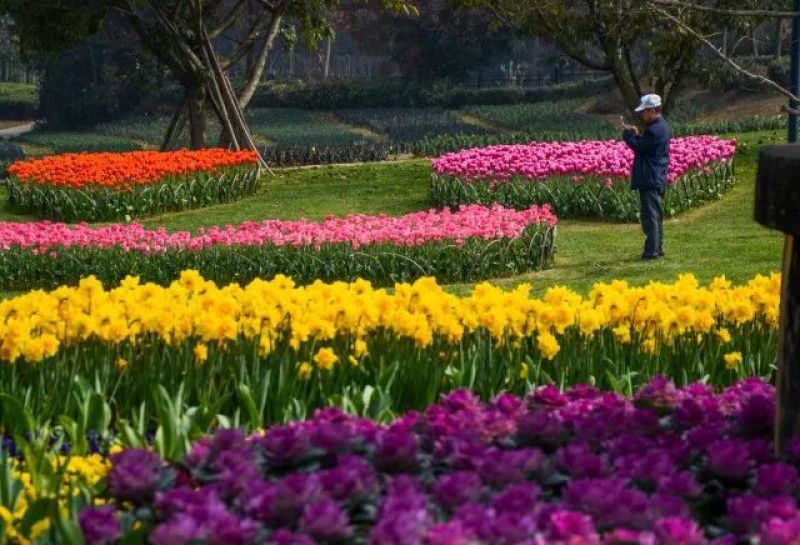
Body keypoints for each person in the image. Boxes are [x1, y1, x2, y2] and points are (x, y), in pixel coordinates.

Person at [622, 94, 671, 260]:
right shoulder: (662, 126)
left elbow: (640, 148)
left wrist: (628, 137)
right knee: (656, 215)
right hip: (657, 175)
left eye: (644, 111)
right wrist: (637, 135)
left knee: (650, 217)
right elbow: (646, 146)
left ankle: (652, 251)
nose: (642, 115)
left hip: (650, 177)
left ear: (651, 110)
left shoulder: (653, 130)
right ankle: (658, 248)